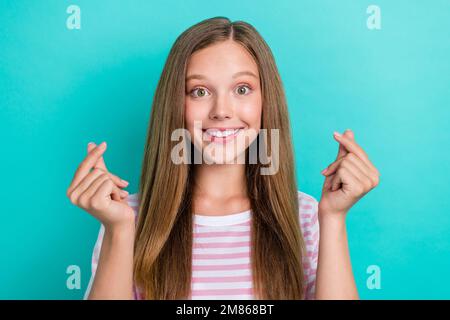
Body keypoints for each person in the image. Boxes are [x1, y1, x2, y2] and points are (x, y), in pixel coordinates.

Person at [66, 16, 380, 300]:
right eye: (199, 91)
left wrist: (334, 219)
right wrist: (119, 230)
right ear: (175, 105)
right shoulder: (126, 218)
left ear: (265, 102)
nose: (221, 110)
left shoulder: (307, 217)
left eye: (242, 89)